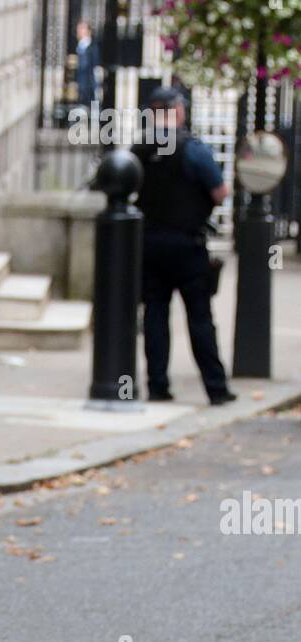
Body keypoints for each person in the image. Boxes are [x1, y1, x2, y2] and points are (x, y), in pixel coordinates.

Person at [132, 86, 237, 405]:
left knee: (155, 315)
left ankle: (157, 386)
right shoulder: (193, 150)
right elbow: (220, 192)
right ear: (177, 111)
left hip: (150, 244)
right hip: (188, 246)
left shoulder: (140, 150)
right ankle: (216, 389)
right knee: (200, 318)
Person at [75, 19, 100, 110]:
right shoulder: (80, 45)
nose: (79, 31)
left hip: (89, 82)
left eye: (82, 28)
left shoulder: (91, 46)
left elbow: (93, 65)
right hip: (81, 81)